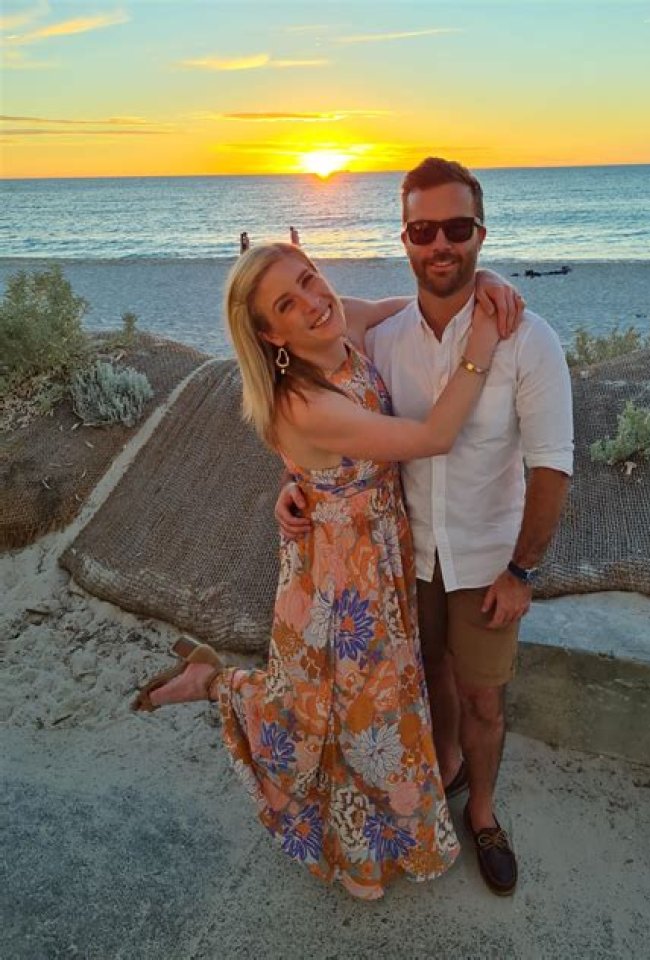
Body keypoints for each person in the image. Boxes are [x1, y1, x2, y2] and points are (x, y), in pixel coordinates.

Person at [132, 241, 522, 900]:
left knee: (360, 708)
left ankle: (376, 824)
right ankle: (217, 685)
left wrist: (481, 278)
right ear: (270, 334)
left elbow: (420, 309)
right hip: (337, 577)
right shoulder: (300, 402)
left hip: (380, 551)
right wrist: (482, 341)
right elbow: (432, 437)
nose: (315, 303)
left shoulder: (347, 320)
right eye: (288, 304)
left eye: (310, 280)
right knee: (335, 712)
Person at [276, 157, 574, 897]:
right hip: (401, 558)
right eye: (423, 230)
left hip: (485, 560)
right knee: (426, 677)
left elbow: (551, 468)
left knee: (483, 698)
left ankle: (483, 812)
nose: (441, 244)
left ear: (481, 233)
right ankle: (444, 771)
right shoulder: (379, 337)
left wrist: (522, 572)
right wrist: (294, 485)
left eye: (457, 228)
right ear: (404, 238)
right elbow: (329, 418)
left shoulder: (526, 338)